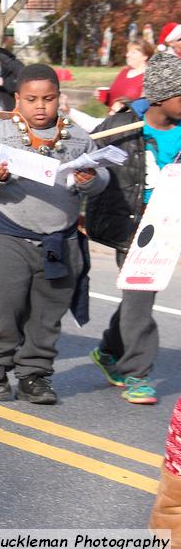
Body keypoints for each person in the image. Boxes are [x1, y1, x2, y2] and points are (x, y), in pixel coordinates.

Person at [0, 64, 109, 405]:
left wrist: (93, 181)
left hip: (60, 240)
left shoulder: (77, 137)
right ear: (18, 99)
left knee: (47, 313)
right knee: (2, 308)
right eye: (31, 99)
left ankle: (35, 375)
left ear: (60, 98)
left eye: (48, 98)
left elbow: (101, 178)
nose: (40, 106)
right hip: (7, 235)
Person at [86, 53, 181, 406]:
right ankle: (137, 374)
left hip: (170, 226)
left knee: (138, 297)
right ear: (160, 96)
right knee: (141, 297)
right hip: (133, 226)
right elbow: (85, 160)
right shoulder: (122, 128)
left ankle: (110, 351)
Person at [100, 40, 153, 111]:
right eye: (128, 52)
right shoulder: (123, 72)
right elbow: (112, 101)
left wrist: (124, 108)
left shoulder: (149, 77)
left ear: (145, 56)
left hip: (130, 121)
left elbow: (146, 108)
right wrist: (104, 98)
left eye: (133, 52)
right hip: (110, 120)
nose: (127, 55)